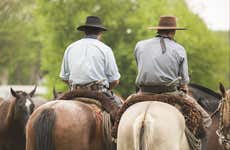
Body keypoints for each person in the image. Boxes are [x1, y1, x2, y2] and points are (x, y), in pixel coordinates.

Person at [134, 16, 211, 128]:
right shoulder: (179, 49)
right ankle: (195, 144)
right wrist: (183, 85)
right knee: (206, 119)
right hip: (170, 92)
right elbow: (184, 80)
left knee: (119, 113)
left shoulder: (139, 45)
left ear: (157, 30)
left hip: (144, 91)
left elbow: (140, 66)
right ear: (173, 31)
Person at [59, 16, 122, 106]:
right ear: (100, 33)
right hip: (98, 92)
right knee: (119, 111)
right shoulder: (105, 49)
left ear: (85, 31)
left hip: (74, 92)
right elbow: (115, 80)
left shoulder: (70, 47)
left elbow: (64, 77)